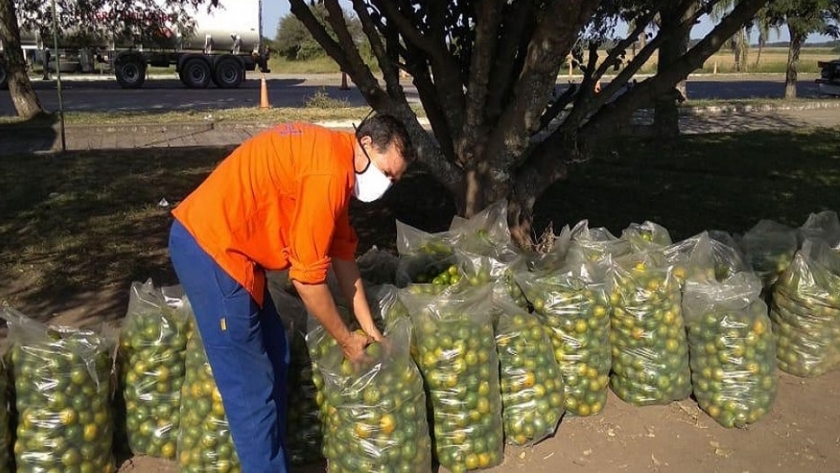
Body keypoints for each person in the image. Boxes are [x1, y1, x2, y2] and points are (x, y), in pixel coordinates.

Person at [167, 114, 414, 473]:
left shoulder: (338, 165)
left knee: (276, 353)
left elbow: (344, 259)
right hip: (211, 252)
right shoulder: (328, 173)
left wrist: (373, 332)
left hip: (237, 255)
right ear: (365, 145)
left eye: (396, 179)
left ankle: (274, 461)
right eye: (388, 173)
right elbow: (308, 280)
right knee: (251, 389)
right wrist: (346, 339)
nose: (388, 184)